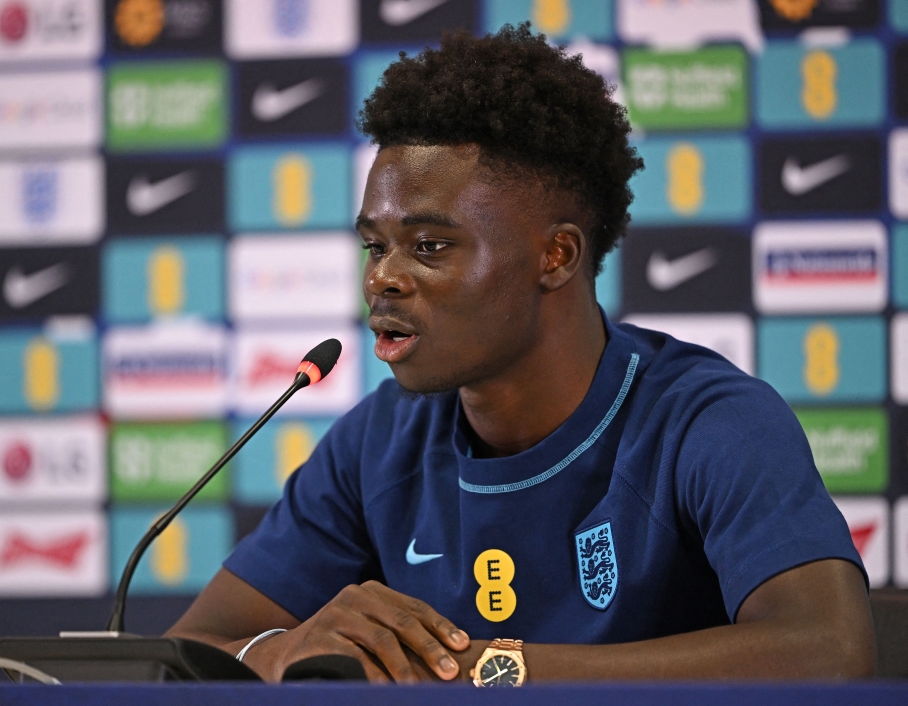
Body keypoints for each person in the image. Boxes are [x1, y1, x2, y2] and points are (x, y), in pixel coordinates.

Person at [167, 25, 875, 683]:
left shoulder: (709, 422)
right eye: (375, 246)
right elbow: (181, 654)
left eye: (429, 246)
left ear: (556, 256)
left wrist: (486, 670)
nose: (382, 278)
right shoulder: (376, 442)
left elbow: (831, 651)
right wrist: (281, 648)